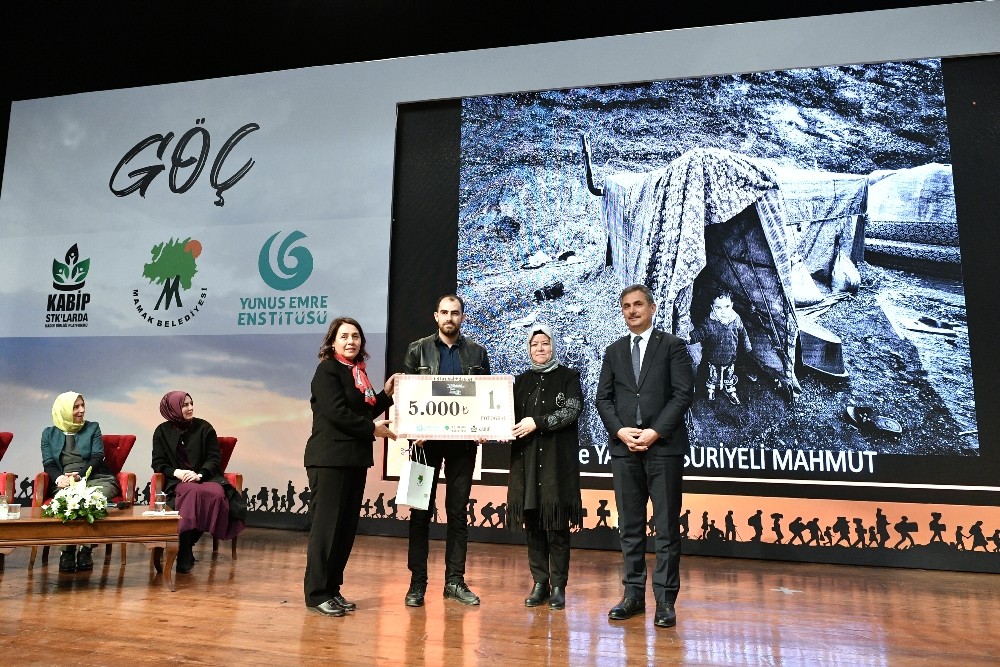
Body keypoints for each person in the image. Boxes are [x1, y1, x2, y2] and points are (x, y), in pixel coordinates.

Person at [596, 284, 694, 629]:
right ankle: (632, 596)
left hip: (663, 449)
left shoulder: (673, 347)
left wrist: (655, 432)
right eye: (626, 306)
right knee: (630, 527)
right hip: (625, 450)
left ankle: (665, 601)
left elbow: (683, 395)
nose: (632, 311)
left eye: (638, 305)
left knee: (666, 528)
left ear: (652, 308)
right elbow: (603, 399)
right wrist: (620, 431)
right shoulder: (614, 351)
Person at [303, 317, 397, 617]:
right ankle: (317, 593)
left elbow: (364, 410)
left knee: (344, 531)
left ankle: (332, 589)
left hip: (354, 460)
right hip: (329, 459)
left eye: (356, 336)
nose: (351, 341)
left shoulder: (358, 373)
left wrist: (386, 395)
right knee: (326, 529)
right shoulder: (328, 370)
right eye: (344, 336)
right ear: (332, 341)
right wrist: (372, 430)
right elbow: (337, 413)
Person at [402, 294, 490, 607]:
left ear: (462, 317)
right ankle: (417, 585)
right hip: (422, 446)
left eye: (455, 313)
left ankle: (454, 582)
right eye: (444, 312)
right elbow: (407, 394)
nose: (449, 318)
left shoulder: (477, 353)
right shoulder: (418, 349)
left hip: (463, 447)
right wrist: (414, 429)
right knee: (419, 512)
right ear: (436, 316)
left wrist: (484, 427)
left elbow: (484, 397)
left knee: (457, 514)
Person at [508, 324, 583, 611]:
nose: (539, 348)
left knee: (558, 525)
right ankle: (540, 582)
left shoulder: (568, 377)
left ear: (553, 346)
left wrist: (536, 422)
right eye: (534, 344)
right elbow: (504, 415)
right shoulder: (521, 381)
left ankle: (558, 586)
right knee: (534, 525)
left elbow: (572, 410)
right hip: (526, 463)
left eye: (545, 343)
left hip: (556, 465)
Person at [152, 391, 246, 574]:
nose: (190, 408)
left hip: (206, 477)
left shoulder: (205, 427)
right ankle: (185, 550)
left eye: (191, 403)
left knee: (216, 494)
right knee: (191, 494)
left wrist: (199, 475)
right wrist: (177, 472)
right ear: (172, 409)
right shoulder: (161, 432)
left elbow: (213, 458)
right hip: (178, 481)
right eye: (185, 405)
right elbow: (158, 463)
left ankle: (186, 545)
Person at [41, 391, 121, 572]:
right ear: (64, 410)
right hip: (65, 481)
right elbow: (49, 463)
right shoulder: (48, 434)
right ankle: (67, 551)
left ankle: (85, 550)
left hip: (96, 477)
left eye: (82, 406)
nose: (81, 410)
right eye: (76, 407)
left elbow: (97, 457)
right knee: (69, 501)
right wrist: (60, 478)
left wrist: (80, 476)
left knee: (92, 499)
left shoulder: (93, 427)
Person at [689, 291, 751, 404]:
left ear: (732, 305)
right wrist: (689, 338)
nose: (723, 311)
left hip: (730, 357)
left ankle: (730, 390)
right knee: (713, 376)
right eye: (718, 308)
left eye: (727, 306)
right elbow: (700, 333)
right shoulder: (710, 323)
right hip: (714, 358)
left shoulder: (736, 320)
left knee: (729, 376)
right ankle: (711, 390)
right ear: (712, 307)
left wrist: (747, 345)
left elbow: (743, 332)